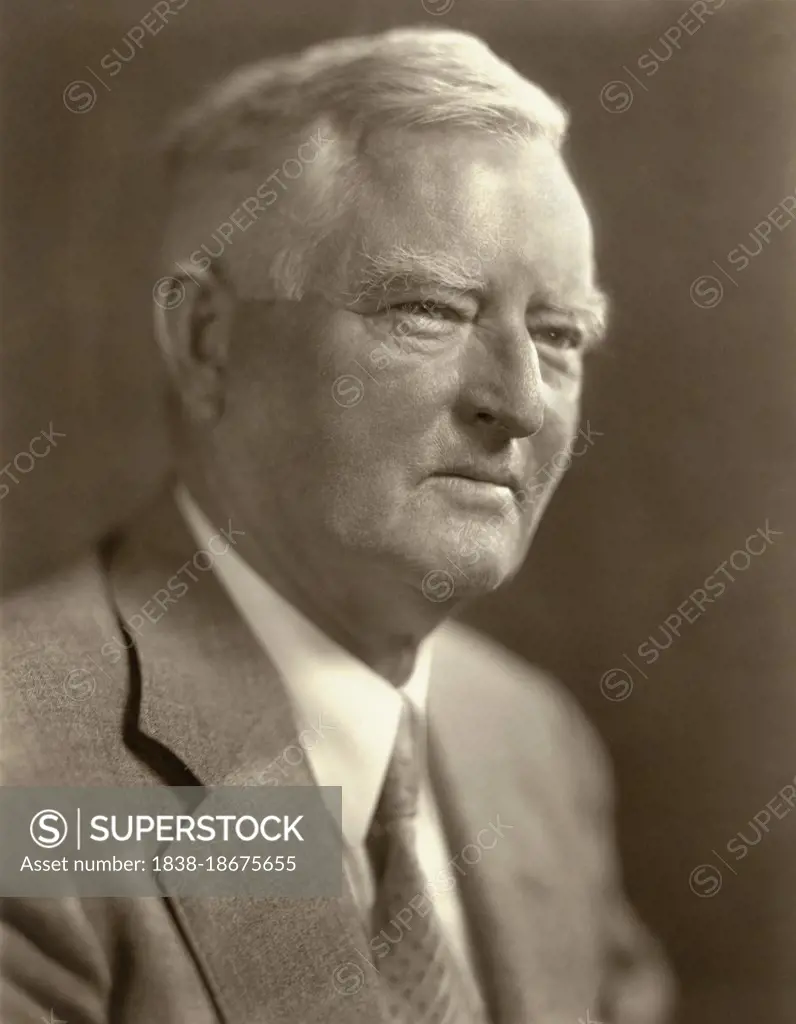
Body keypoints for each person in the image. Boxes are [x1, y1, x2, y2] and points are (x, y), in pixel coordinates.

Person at [1, 27, 673, 1024]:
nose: (521, 402)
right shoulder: (22, 762)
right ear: (208, 341)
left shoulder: (532, 744)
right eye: (431, 310)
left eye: (558, 334)